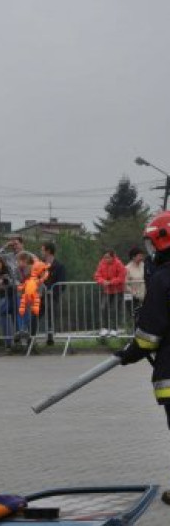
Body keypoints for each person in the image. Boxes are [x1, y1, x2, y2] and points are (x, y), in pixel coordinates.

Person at [114, 212, 170, 503]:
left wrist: (127, 355)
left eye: (151, 245)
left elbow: (149, 334)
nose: (149, 252)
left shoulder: (163, 280)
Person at [94, 249, 127, 337]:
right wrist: (102, 281)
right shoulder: (102, 263)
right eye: (105, 257)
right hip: (107, 290)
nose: (106, 259)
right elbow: (97, 275)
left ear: (113, 257)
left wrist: (111, 282)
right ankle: (104, 328)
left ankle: (114, 329)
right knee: (103, 308)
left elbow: (121, 277)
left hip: (118, 290)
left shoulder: (119, 264)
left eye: (108, 257)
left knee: (115, 309)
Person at [41, 241, 66, 345]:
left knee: (51, 315)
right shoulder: (40, 264)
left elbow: (62, 283)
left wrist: (53, 291)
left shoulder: (59, 266)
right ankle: (31, 337)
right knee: (35, 315)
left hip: (52, 296)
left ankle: (50, 338)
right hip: (40, 295)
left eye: (42, 250)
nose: (41, 252)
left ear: (48, 251)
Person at [125, 246, 147, 325]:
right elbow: (125, 284)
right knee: (136, 318)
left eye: (142, 255)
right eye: (140, 255)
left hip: (144, 296)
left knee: (146, 317)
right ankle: (134, 335)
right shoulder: (127, 268)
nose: (142, 257)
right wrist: (133, 292)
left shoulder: (144, 266)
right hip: (132, 298)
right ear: (133, 257)